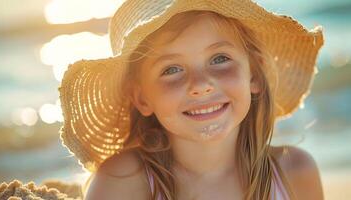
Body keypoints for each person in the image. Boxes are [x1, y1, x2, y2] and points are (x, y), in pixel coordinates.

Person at [58, 0, 325, 199]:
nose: (200, 85)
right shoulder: (124, 181)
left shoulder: (295, 173)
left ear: (254, 74)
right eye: (171, 69)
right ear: (141, 97)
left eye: (220, 59)